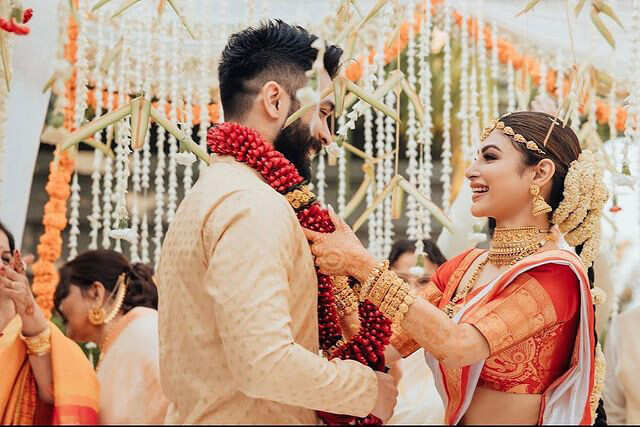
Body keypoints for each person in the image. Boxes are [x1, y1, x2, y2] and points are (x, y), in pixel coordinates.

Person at [156, 20, 397, 424]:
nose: (327, 135)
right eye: (322, 112)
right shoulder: (253, 206)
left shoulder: (209, 194)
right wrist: (367, 390)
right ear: (274, 100)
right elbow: (263, 362)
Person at [304, 111, 608, 425]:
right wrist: (338, 278)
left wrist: (363, 265)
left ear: (539, 172)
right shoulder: (464, 267)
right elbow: (381, 350)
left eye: (489, 157)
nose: (471, 171)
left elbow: (457, 346)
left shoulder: (556, 275)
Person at [54, 249, 169, 424]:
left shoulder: (143, 329)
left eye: (63, 293)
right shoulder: (120, 342)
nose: (59, 306)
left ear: (95, 293)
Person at [0, 221, 99, 424]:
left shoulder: (31, 334)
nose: (0, 266)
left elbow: (56, 392)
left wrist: (28, 307)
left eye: (5, 257)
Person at [387, 239, 446, 425]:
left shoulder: (454, 327)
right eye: (402, 280)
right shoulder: (372, 324)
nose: (412, 290)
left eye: (423, 281)